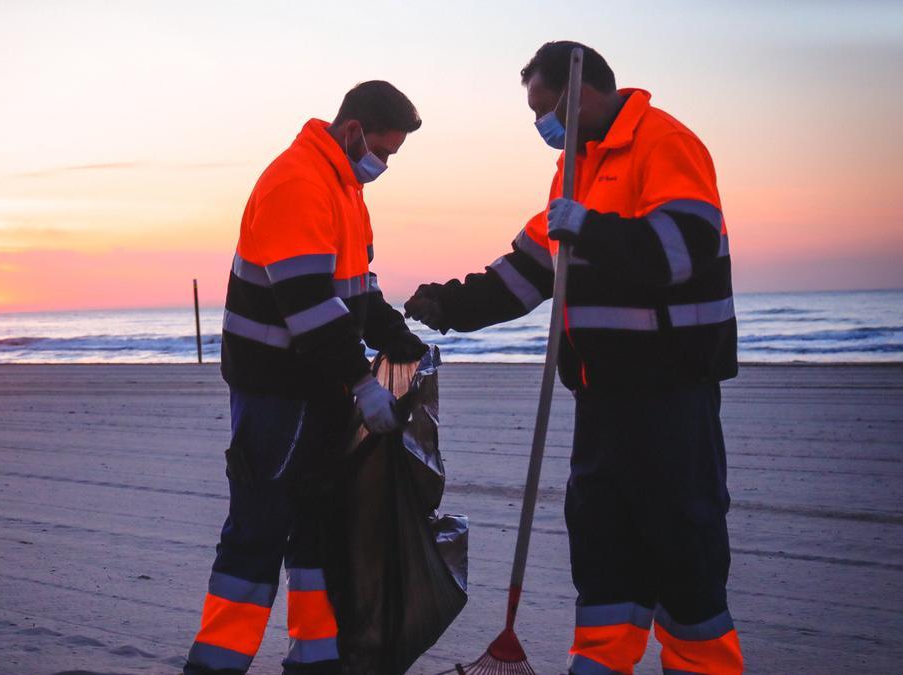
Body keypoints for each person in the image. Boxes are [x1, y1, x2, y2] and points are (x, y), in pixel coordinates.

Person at [405, 42, 743, 674]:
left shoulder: (666, 144)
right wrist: (450, 306)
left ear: (580, 92)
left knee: (682, 541)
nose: (542, 126)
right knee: (603, 540)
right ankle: (598, 664)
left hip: (671, 394)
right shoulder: (574, 169)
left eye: (545, 110)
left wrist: (588, 226)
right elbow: (532, 270)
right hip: (601, 394)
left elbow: (682, 250)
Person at [185, 80, 428, 674]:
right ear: (352, 132)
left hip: (317, 387)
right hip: (278, 388)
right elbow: (308, 306)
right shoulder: (297, 183)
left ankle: (316, 660)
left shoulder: (344, 188)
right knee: (260, 528)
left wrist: (390, 332)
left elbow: (355, 287)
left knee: (319, 526)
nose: (384, 164)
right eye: (384, 151)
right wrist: (365, 384)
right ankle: (215, 664)